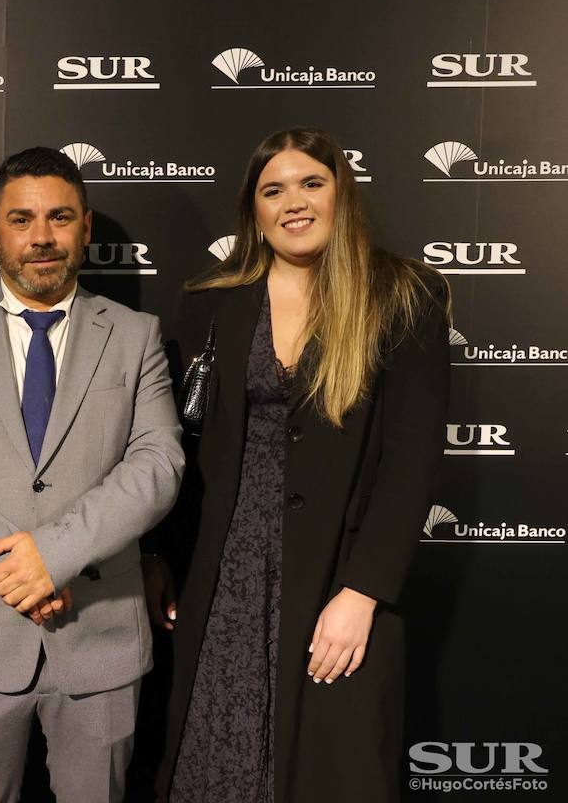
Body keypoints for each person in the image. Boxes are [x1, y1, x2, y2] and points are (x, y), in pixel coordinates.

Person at [149, 127, 450, 802]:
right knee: (214, 764)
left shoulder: (403, 296)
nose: (295, 202)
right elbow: (181, 452)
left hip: (336, 584)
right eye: (273, 189)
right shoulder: (210, 304)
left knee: (330, 772)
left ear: (341, 192)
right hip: (224, 580)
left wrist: (363, 592)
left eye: (312, 183)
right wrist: (161, 558)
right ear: (253, 210)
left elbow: (413, 461)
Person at [0, 146, 185, 802]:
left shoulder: (135, 335)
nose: (41, 237)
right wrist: (14, 570)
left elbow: (159, 463)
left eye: (59, 217)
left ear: (85, 228)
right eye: (21, 219)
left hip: (101, 634)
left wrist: (51, 556)